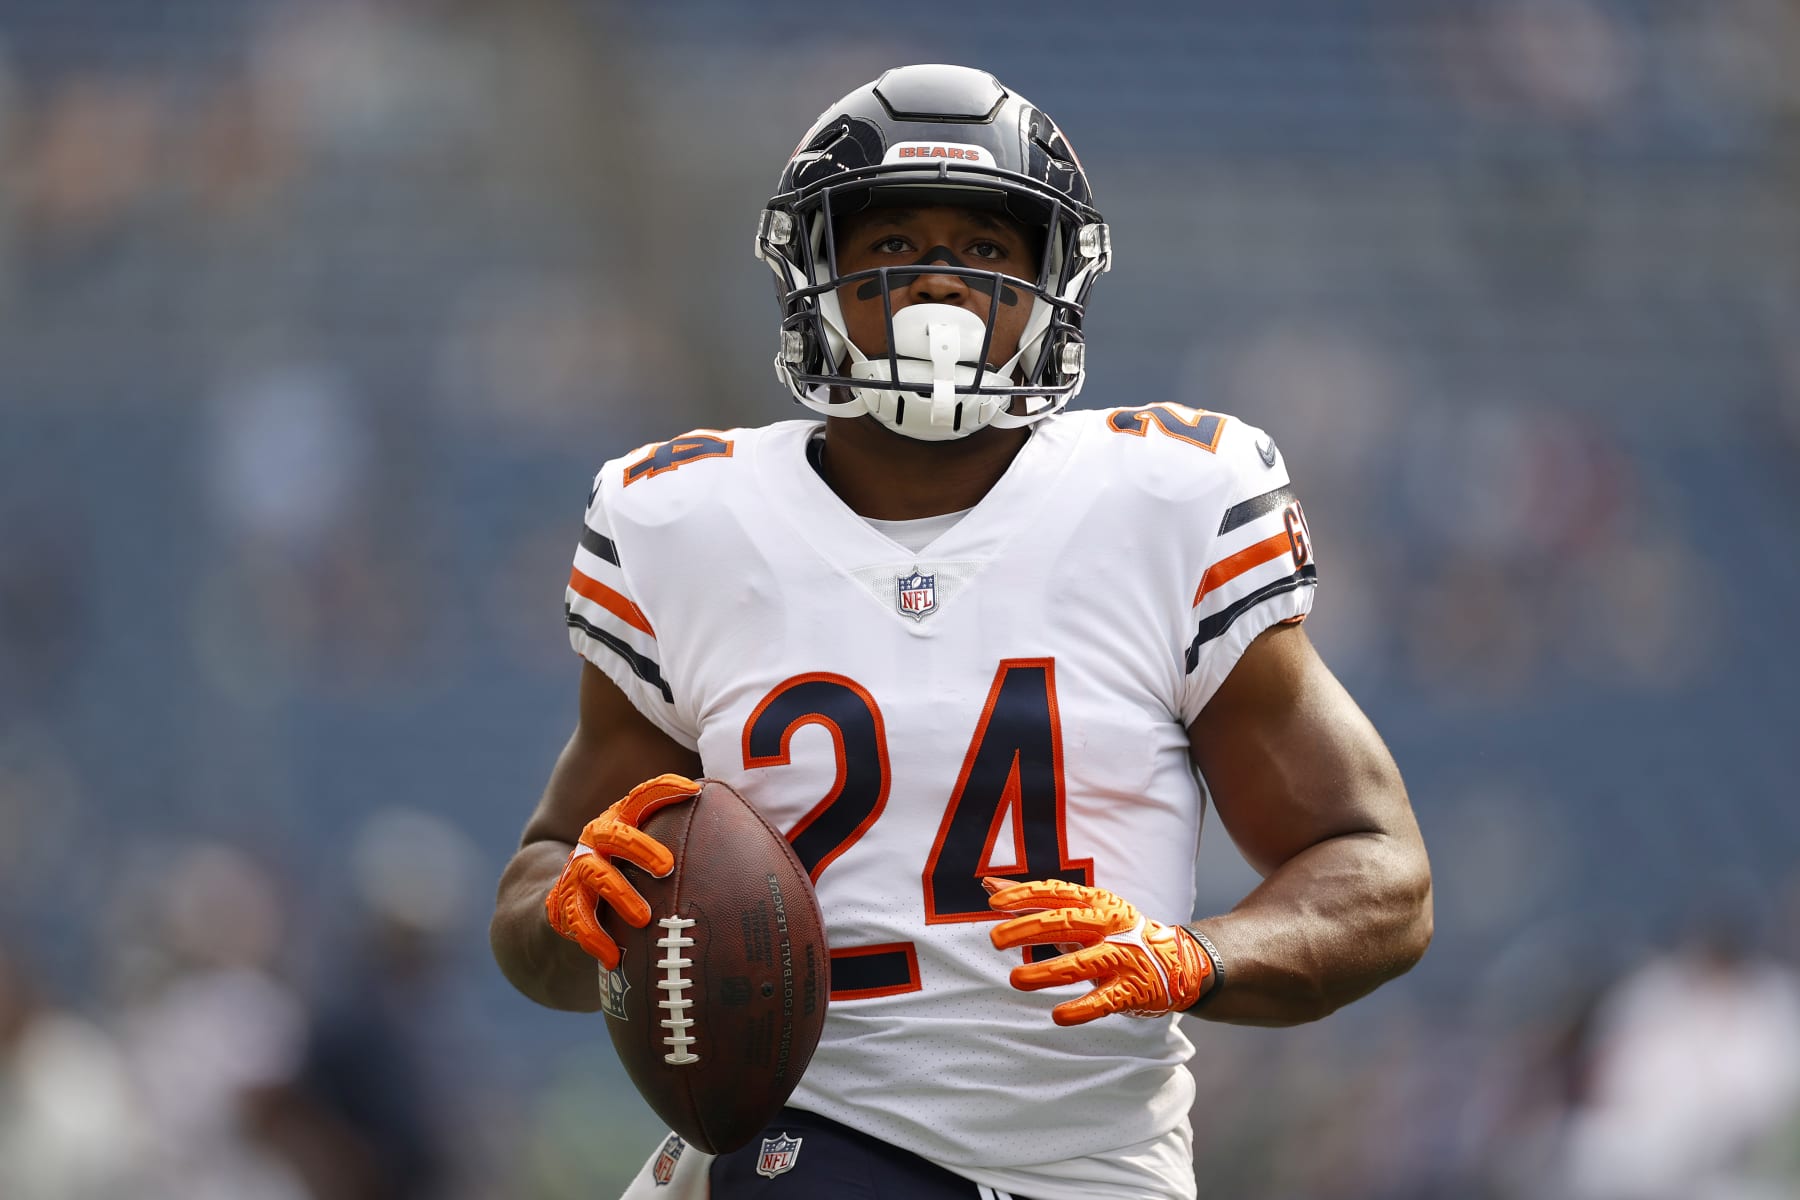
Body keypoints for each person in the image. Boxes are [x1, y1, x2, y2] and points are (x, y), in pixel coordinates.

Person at [491, 63, 1432, 1200]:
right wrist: (576, 916)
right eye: (893, 245)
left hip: (1088, 1169)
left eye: (985, 249)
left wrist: (1197, 957)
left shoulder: (1170, 505)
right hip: (801, 1138)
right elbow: (544, 885)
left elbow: (1380, 871)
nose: (939, 282)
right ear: (812, 272)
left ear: (1050, 283)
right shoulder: (686, 522)